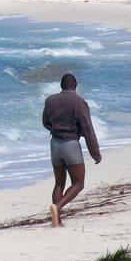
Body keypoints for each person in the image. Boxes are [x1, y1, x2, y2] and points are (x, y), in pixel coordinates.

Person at [42, 73, 101, 227]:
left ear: (61, 86)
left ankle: (57, 221)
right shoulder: (79, 102)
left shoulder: (50, 100)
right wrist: (95, 152)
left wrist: (56, 129)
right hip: (70, 144)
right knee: (78, 183)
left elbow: (45, 122)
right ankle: (58, 207)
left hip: (55, 144)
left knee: (59, 183)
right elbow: (88, 128)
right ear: (75, 86)